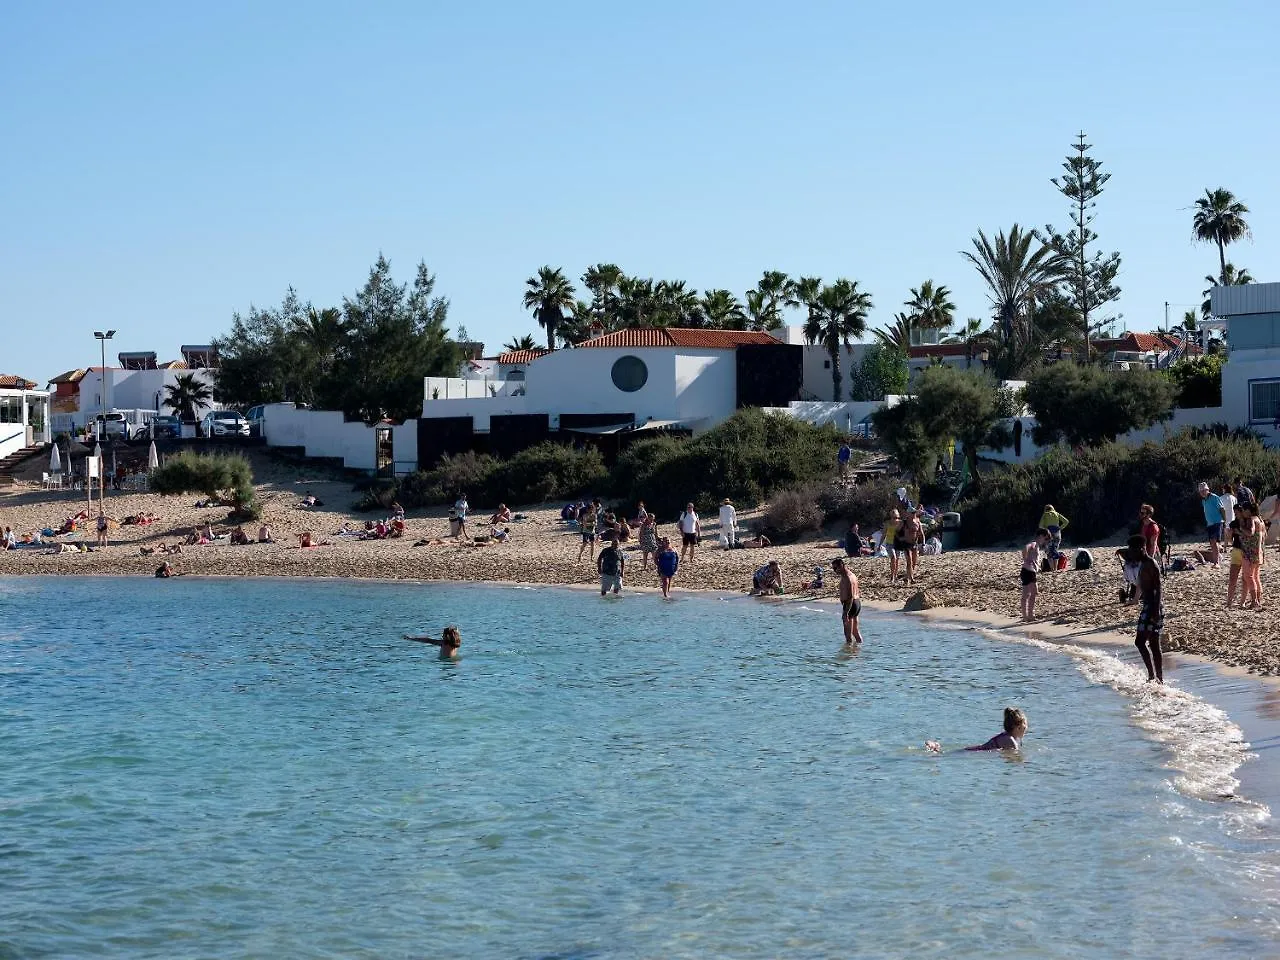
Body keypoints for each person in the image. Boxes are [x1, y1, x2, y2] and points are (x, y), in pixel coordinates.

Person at [1131, 534, 1165, 683]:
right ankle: (1154, 677)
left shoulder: (1151, 564)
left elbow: (1158, 588)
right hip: (1147, 605)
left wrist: (1156, 611)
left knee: (1147, 643)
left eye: (1134, 550)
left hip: (1153, 606)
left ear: (1142, 549)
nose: (1131, 553)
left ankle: (1156, 677)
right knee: (1149, 643)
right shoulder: (1142, 563)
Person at [925, 708, 1028, 754]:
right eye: (1025, 724)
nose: (1027, 727)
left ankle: (936, 748)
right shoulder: (1011, 741)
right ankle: (935, 748)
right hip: (976, 753)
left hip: (976, 750)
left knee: (949, 753)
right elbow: (1015, 757)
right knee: (944, 755)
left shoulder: (1007, 736)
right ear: (1017, 726)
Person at [1239, 501, 1265, 610]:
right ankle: (1258, 600)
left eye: (1243, 510)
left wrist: (1240, 529)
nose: (1242, 512)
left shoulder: (1251, 519)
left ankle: (1254, 601)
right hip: (1258, 552)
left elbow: (1250, 532)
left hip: (1249, 553)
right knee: (1255, 577)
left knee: (1248, 576)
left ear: (1248, 510)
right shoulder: (1260, 519)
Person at [832, 557, 863, 646]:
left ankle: (849, 656)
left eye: (835, 568)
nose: (835, 571)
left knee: (848, 636)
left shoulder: (847, 578)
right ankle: (858, 651)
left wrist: (845, 613)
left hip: (850, 605)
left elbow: (850, 597)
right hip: (857, 603)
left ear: (841, 566)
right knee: (855, 632)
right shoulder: (852, 575)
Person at [1020, 528, 1050, 622]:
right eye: (1045, 539)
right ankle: (1028, 615)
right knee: (1030, 593)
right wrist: (1025, 557)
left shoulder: (1036, 546)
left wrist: (1037, 567)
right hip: (1028, 571)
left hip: (1028, 571)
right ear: (1041, 536)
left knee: (1030, 593)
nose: (1045, 542)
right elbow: (1025, 547)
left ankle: (1028, 615)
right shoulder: (1034, 543)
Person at [1198, 482, 1223, 565]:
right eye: (1201, 491)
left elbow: (1222, 509)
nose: (1202, 493)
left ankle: (1217, 562)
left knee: (1214, 542)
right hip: (1210, 524)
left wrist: (1225, 520)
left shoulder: (1214, 497)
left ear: (1207, 490)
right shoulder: (1203, 501)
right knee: (1213, 543)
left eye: (1204, 491)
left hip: (1217, 522)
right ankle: (1217, 557)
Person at [1226, 515, 1244, 608]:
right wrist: (1229, 534)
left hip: (1246, 552)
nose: (1237, 514)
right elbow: (1230, 540)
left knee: (1245, 579)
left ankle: (1242, 602)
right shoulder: (1233, 524)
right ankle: (1229, 602)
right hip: (1236, 550)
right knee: (1233, 579)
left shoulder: (1249, 522)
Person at [884, 509, 904, 583]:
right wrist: (879, 544)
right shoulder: (887, 523)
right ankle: (892, 576)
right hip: (889, 543)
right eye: (893, 517)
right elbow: (884, 534)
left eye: (896, 517)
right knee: (893, 558)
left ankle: (895, 576)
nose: (894, 519)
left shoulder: (901, 523)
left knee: (897, 560)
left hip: (898, 543)